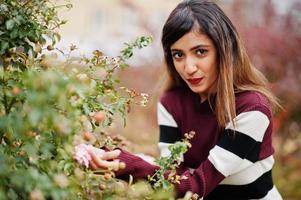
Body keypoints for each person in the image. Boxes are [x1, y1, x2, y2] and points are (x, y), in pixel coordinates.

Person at [86, 0, 283, 199]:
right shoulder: (172, 103)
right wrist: (102, 154)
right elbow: (171, 175)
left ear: (225, 50)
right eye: (178, 55)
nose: (189, 68)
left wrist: (127, 163)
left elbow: (195, 186)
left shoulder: (251, 108)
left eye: (200, 52)